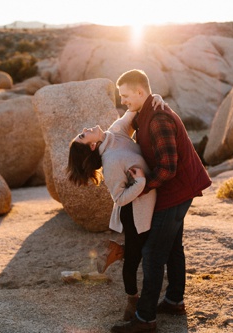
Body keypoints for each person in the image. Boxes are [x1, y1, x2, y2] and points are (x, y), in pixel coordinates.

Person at [111, 69, 212, 333]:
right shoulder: (144, 111)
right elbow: (124, 120)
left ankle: (145, 319)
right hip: (177, 190)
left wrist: (141, 187)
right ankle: (174, 301)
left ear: (141, 92)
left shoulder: (157, 119)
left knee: (153, 253)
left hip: (176, 192)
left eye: (125, 96)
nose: (123, 101)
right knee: (173, 247)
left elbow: (168, 168)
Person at [64, 106, 158, 322]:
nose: (86, 129)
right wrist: (142, 182)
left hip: (147, 207)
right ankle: (131, 300)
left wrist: (157, 99)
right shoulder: (111, 162)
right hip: (135, 214)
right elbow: (119, 198)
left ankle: (119, 250)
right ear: (93, 145)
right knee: (134, 260)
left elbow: (132, 111)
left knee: (145, 249)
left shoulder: (115, 131)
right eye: (82, 135)